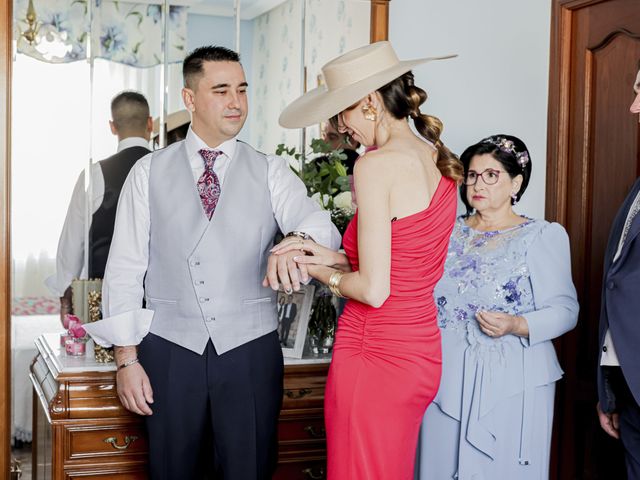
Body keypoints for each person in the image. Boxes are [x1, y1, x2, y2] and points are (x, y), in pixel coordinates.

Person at [83, 46, 340, 479]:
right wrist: (126, 360)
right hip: (167, 348)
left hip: (249, 350)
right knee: (172, 469)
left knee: (250, 468)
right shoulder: (147, 172)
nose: (236, 102)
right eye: (221, 90)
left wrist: (297, 239)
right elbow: (124, 270)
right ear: (189, 98)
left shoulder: (271, 170)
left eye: (241, 89)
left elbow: (321, 224)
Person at [275, 41, 461, 479]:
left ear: (372, 102)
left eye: (344, 112)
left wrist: (318, 271)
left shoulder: (375, 166)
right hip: (420, 354)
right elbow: (404, 257)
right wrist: (336, 256)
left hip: (374, 353)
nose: (343, 125)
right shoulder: (435, 157)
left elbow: (374, 290)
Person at [415, 134, 579, 479]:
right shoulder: (445, 232)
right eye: (473, 175)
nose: (478, 184)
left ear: (515, 183)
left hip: (512, 376)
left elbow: (566, 310)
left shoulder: (541, 235)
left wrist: (516, 324)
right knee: (438, 465)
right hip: (441, 371)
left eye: (491, 175)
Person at [46, 91, 152, 322]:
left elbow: (72, 242)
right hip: (161, 300)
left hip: (105, 301)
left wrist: (66, 297)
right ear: (150, 123)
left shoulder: (93, 175)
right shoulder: (170, 170)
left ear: (112, 126)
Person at [596, 68, 640, 480]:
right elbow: (619, 283)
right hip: (627, 381)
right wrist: (608, 385)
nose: (633, 106)